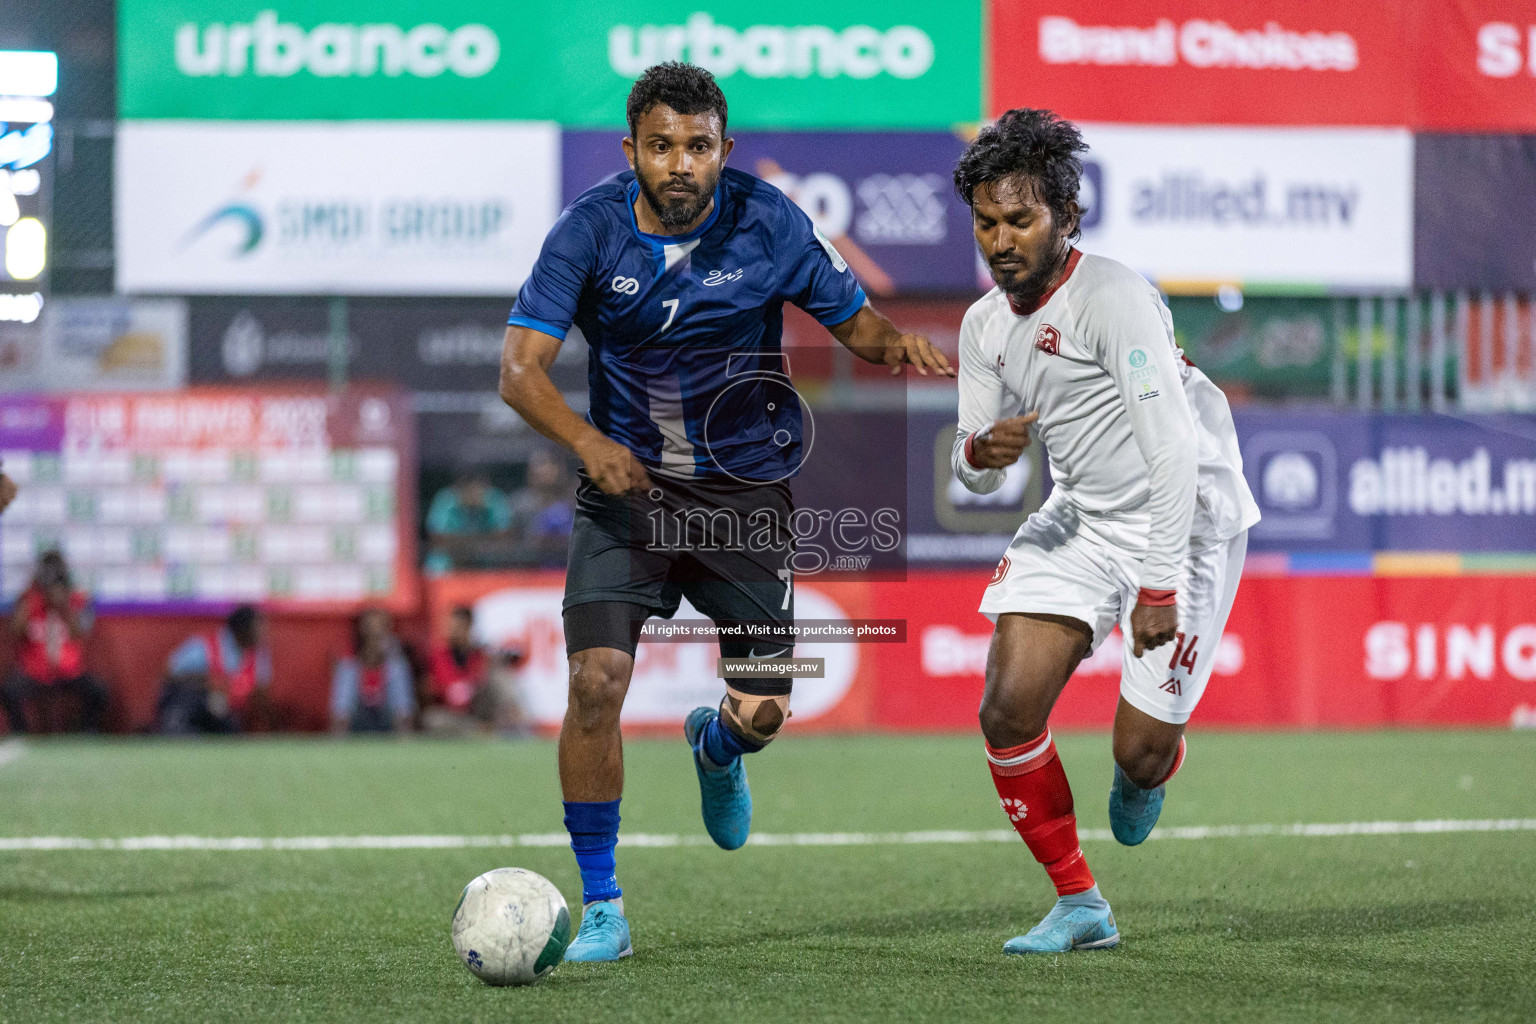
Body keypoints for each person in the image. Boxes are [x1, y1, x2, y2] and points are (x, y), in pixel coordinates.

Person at [499, 61, 952, 962]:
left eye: (697, 147)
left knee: (762, 714)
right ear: (631, 150)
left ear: (724, 150)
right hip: (626, 492)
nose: (679, 164)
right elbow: (520, 372)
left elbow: (859, 328)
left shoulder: (771, 222)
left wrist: (908, 348)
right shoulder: (586, 234)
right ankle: (603, 906)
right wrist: (590, 446)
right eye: (660, 145)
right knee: (594, 682)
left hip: (745, 498)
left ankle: (716, 748)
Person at [949, 109, 1261, 955]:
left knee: (1141, 755)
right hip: (1084, 517)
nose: (1002, 240)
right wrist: (980, 451)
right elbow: (974, 468)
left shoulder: (1114, 296)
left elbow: (1171, 454)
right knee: (1007, 709)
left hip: (1186, 522)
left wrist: (1159, 582)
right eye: (987, 222)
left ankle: (1151, 763)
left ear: (1065, 217)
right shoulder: (984, 328)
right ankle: (1080, 904)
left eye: (1021, 219)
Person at [1, 551, 108, 734]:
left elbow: (80, 634)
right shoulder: (30, 599)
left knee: (98, 691)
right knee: (9, 691)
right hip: (34, 672)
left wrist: (63, 607)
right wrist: (33, 596)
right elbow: (16, 631)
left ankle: (85, 731)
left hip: (69, 671)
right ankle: (21, 733)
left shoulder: (75, 599)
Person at [157, 604, 274, 734]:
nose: (263, 632)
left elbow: (260, 694)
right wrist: (208, 682)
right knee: (187, 699)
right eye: (258, 627)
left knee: (230, 727)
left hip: (225, 711)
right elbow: (169, 673)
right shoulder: (205, 646)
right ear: (242, 629)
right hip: (192, 704)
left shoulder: (259, 656)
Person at [330, 607, 415, 734]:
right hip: (357, 721)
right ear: (362, 632)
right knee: (347, 670)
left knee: (398, 668)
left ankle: (405, 741)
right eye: (371, 630)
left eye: (381, 630)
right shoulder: (349, 666)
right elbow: (340, 710)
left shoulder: (396, 666)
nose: (375, 635)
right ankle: (338, 743)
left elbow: (404, 709)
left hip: (387, 721)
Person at [421, 605, 494, 734]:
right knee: (432, 720)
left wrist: (471, 689)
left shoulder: (479, 655)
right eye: (450, 626)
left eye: (457, 627)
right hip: (448, 713)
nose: (452, 630)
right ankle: (477, 731)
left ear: (468, 627)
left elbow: (483, 686)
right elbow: (435, 686)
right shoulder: (439, 654)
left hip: (474, 711)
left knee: (498, 679)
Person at [423, 475, 515, 572]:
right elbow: (437, 538)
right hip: (449, 558)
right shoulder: (446, 499)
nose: (475, 494)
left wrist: (467, 542)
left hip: (486, 559)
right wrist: (479, 539)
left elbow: (505, 537)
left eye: (479, 489)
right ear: (460, 490)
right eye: (470, 490)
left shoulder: (495, 499)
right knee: (436, 565)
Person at [508, 450, 576, 568]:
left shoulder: (571, 501)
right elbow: (512, 540)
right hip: (529, 568)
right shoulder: (520, 504)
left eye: (547, 465)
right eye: (537, 467)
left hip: (568, 565)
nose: (543, 472)